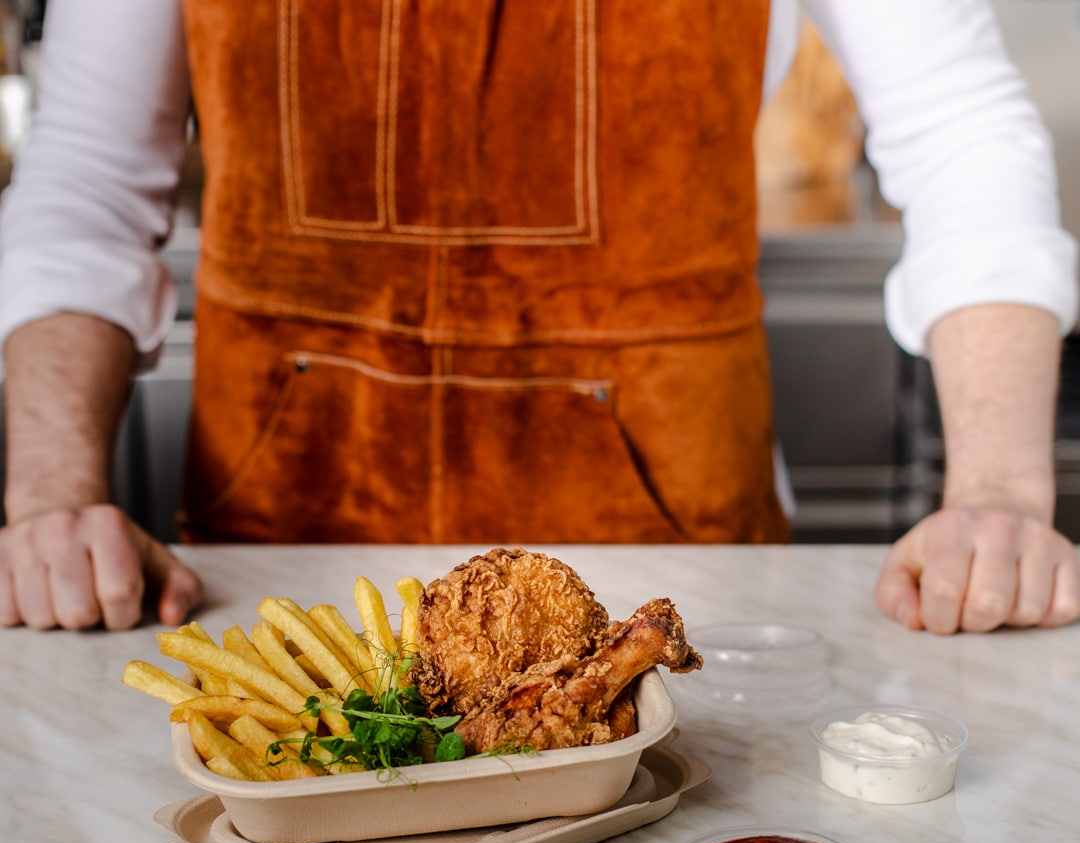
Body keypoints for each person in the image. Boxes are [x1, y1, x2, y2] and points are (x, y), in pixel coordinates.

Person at [0, 0, 1077, 635]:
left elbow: (961, 130)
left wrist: (999, 495)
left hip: (674, 591)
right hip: (285, 593)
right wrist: (53, 498)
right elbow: (89, 176)